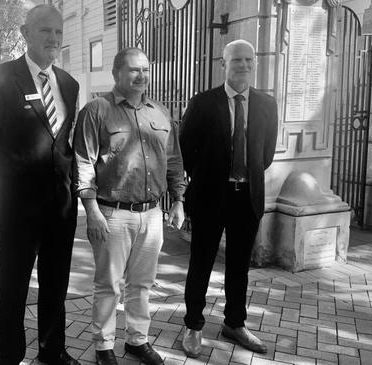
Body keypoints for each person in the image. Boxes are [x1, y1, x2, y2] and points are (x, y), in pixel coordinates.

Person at [0, 5, 80, 365]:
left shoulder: (68, 84)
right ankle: (9, 357)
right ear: (25, 32)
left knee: (55, 285)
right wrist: (10, 183)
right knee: (14, 289)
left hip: (60, 210)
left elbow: (64, 144)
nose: (54, 39)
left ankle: (52, 351)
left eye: (59, 33)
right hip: (17, 211)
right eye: (45, 31)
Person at [73, 47, 186, 365]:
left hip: (151, 215)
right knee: (108, 285)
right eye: (134, 70)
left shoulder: (160, 113)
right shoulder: (96, 111)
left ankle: (137, 341)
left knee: (142, 284)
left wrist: (178, 200)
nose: (141, 76)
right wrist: (92, 210)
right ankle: (103, 347)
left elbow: (174, 160)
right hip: (112, 214)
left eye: (146, 70)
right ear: (116, 74)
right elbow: (84, 162)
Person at [179, 39, 278, 358]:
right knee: (201, 264)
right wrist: (210, 178)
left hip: (247, 198)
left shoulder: (267, 104)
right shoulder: (203, 102)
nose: (244, 65)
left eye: (249, 60)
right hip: (210, 198)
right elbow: (186, 150)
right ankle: (193, 325)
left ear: (255, 64)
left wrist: (242, 177)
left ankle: (234, 323)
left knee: (239, 267)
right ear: (224, 64)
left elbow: (265, 155)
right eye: (237, 60)